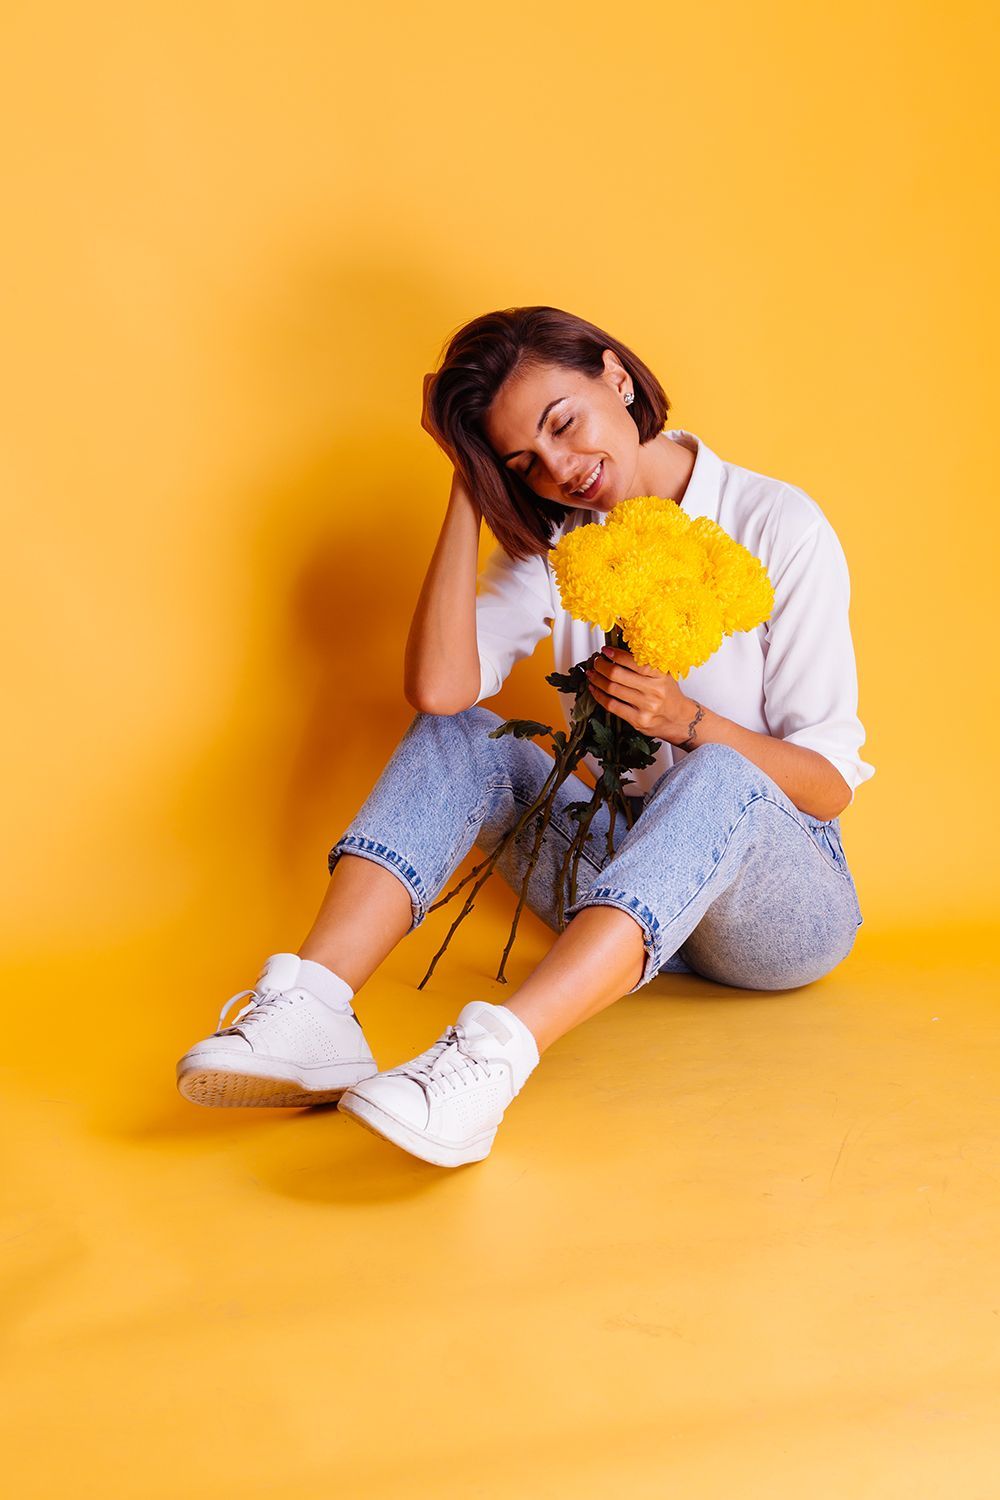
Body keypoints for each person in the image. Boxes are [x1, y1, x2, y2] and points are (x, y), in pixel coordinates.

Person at [176, 305, 875, 1170]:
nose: (563, 470)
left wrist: (691, 725)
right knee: (464, 732)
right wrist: (471, 482)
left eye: (563, 424)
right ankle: (313, 1006)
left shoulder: (778, 524)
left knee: (719, 773)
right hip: (615, 887)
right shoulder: (559, 546)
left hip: (776, 915)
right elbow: (438, 689)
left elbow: (829, 783)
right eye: (525, 462)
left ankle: (488, 1066)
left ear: (616, 378)